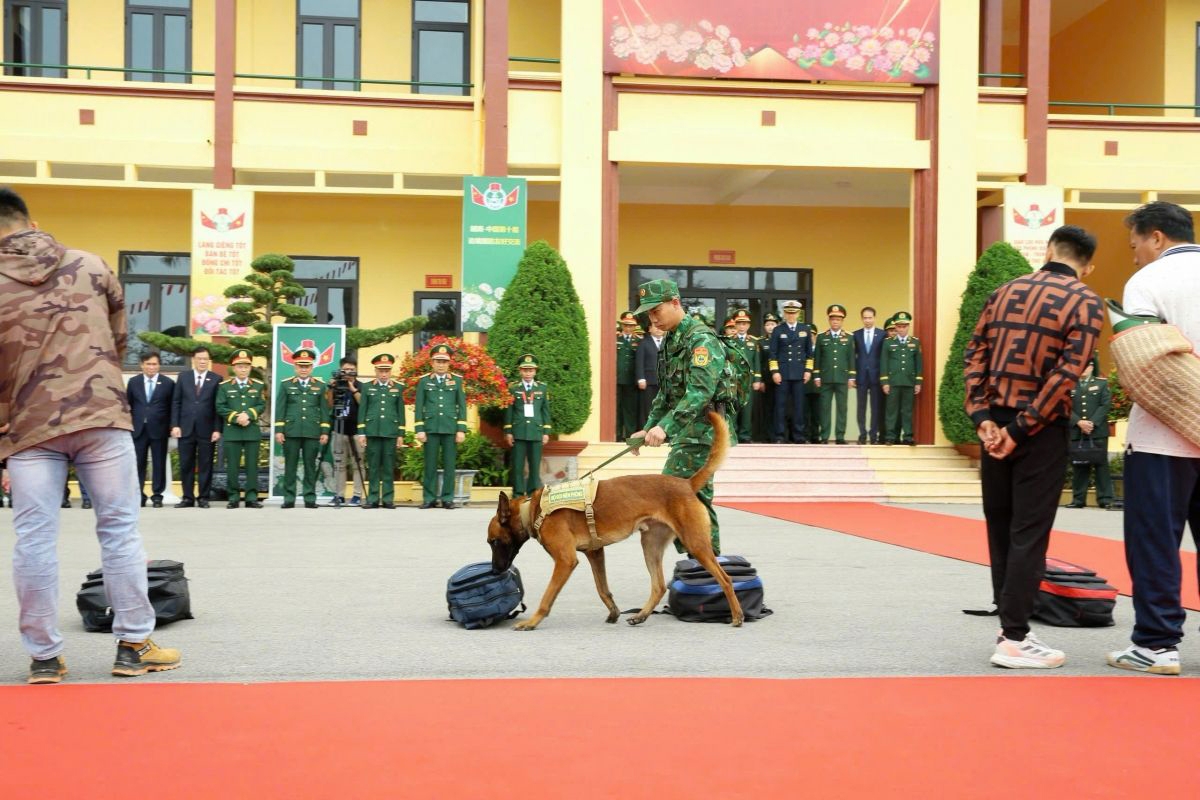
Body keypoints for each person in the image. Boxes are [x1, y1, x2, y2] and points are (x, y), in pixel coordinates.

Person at [0, 186, 180, 683]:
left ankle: (43, 658)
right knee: (119, 531)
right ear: (31, 224)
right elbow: (120, 337)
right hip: (101, 416)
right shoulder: (92, 265)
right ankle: (133, 646)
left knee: (33, 540)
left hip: (28, 429)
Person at [964, 224, 1103, 669]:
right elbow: (1067, 374)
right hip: (1038, 431)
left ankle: (1010, 627)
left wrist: (984, 420)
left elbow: (975, 356)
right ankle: (1015, 638)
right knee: (1029, 533)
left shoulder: (1003, 291)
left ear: (1048, 251)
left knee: (1000, 527)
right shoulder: (1084, 300)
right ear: (1088, 264)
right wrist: (1021, 429)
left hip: (994, 428)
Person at [1107, 201, 1200, 676]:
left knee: (1155, 544)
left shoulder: (1149, 281)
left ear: (1157, 237)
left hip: (1163, 438)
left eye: (1135, 245)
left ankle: (1157, 645)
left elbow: (1145, 362)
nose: (1135, 256)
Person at [633, 278, 731, 554]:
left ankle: (705, 567)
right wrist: (650, 427)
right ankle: (704, 566)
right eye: (649, 313)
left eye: (656, 310)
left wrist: (666, 427)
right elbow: (666, 393)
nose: (653, 318)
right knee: (693, 498)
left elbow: (700, 391)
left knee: (675, 497)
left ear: (675, 302)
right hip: (687, 432)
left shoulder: (701, 340)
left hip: (703, 432)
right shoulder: (671, 340)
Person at [274, 348, 330, 509]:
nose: (304, 369)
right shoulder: (286, 385)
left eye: (307, 366)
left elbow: (324, 411)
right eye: (300, 366)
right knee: (290, 466)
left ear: (312, 367)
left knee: (310, 467)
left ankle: (309, 498)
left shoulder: (319, 386)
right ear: (295, 367)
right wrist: (279, 430)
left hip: (312, 432)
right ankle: (289, 498)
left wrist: (324, 431)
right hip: (291, 431)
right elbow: (280, 409)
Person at [414, 343, 467, 509]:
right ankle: (429, 498)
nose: (441, 364)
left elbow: (462, 406)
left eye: (444, 361)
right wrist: (419, 429)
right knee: (430, 464)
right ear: (432, 362)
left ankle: (447, 498)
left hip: (450, 428)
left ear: (449, 363)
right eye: (438, 361)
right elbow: (419, 406)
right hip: (430, 429)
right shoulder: (424, 381)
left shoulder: (457, 381)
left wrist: (461, 429)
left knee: (449, 465)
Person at [171, 345, 222, 508]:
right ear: (193, 360)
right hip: (185, 428)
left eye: (205, 359)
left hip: (207, 429)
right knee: (186, 463)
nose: (202, 362)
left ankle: (203, 497)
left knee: (206, 464)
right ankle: (187, 497)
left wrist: (217, 429)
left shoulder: (216, 379)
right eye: (199, 359)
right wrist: (175, 425)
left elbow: (217, 407)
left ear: (209, 361)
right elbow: (176, 402)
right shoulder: (183, 377)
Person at [216, 348, 266, 509]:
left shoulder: (258, 385)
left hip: (251, 431)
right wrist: (237, 417)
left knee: (252, 466)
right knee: (232, 466)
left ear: (250, 368)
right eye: (239, 366)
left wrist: (249, 415)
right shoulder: (224, 387)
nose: (243, 369)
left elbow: (261, 404)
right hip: (233, 431)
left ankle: (251, 497)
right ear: (234, 368)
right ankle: (233, 497)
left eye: (246, 366)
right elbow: (220, 406)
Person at [355, 353, 406, 509]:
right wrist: (362, 433)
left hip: (390, 432)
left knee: (389, 466)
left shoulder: (398, 388)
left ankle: (388, 498)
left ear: (390, 371)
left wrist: (401, 434)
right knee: (374, 466)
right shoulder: (367, 387)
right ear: (375, 371)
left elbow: (400, 412)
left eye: (386, 371)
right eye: (380, 371)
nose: (383, 374)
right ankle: (373, 498)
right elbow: (362, 411)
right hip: (372, 432)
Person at [126, 351, 175, 508]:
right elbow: (128, 406)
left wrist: (173, 426)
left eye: (154, 364)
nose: (151, 367)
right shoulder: (134, 382)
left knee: (158, 463)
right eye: (148, 364)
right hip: (138, 429)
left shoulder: (168, 383)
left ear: (159, 365)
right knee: (138, 463)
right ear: (142, 365)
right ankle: (138, 494)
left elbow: (173, 407)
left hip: (159, 429)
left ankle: (157, 495)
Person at [1065, 357, 1114, 510]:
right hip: (1077, 431)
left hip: (1097, 431)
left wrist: (1092, 422)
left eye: (1087, 366)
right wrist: (1078, 422)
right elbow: (1065, 405)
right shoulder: (1070, 385)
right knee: (1079, 465)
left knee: (1101, 464)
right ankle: (1078, 499)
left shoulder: (1101, 383)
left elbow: (1105, 404)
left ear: (1092, 367)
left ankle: (1105, 498)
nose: (1084, 369)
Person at [504, 353, 551, 498]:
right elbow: (509, 411)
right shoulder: (513, 388)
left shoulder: (542, 388)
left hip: (536, 431)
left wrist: (546, 432)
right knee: (517, 465)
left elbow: (545, 411)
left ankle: (532, 492)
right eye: (525, 370)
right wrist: (508, 431)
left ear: (535, 371)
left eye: (531, 370)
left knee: (534, 465)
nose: (528, 373)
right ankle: (518, 493)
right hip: (519, 431)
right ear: (520, 371)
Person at [768, 299, 812, 443]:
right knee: (780, 406)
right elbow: (773, 353)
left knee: (799, 406)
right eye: (788, 313)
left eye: (794, 313)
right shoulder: (778, 330)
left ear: (798, 313)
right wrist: (775, 372)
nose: (791, 316)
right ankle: (780, 435)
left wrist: (808, 370)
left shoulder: (805, 329)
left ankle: (799, 436)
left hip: (799, 373)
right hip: (783, 373)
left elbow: (809, 353)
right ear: (784, 314)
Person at [813, 304, 856, 444]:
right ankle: (824, 436)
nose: (835, 322)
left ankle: (840, 436)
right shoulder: (821, 337)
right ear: (829, 320)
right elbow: (817, 358)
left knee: (842, 408)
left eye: (838, 319)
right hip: (825, 378)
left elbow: (851, 359)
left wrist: (851, 377)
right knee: (824, 408)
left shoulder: (849, 337)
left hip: (842, 378)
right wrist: (817, 376)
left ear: (842, 321)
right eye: (833, 319)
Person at [880, 311, 923, 445]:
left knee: (907, 411)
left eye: (904, 326)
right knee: (891, 411)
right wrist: (885, 382)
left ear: (908, 327)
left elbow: (919, 364)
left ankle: (908, 436)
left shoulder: (915, 342)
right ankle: (890, 437)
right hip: (893, 382)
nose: (901, 329)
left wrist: (918, 382)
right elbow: (884, 363)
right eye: (899, 326)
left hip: (909, 382)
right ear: (896, 327)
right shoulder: (888, 343)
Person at [328, 357, 365, 506]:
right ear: (341, 370)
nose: (348, 372)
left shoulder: (361, 386)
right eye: (345, 370)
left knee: (358, 465)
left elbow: (363, 404)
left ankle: (357, 495)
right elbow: (330, 405)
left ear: (356, 370)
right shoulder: (337, 385)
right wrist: (331, 389)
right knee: (339, 464)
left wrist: (352, 388)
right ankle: (339, 495)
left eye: (351, 369)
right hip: (339, 430)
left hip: (356, 430)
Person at [727, 309, 762, 444]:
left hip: (748, 380)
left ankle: (745, 435)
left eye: (744, 324)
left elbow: (757, 362)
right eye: (739, 323)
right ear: (735, 325)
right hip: (733, 379)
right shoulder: (729, 341)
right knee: (733, 407)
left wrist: (757, 379)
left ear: (748, 325)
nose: (742, 326)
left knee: (747, 409)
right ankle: (732, 434)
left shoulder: (754, 341)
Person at [853, 306, 885, 444]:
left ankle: (873, 435)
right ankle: (862, 434)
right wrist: (852, 375)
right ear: (861, 318)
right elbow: (852, 357)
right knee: (861, 407)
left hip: (876, 376)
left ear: (875, 318)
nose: (867, 320)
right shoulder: (855, 334)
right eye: (865, 318)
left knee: (875, 408)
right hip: (861, 376)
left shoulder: (882, 334)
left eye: (870, 317)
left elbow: (884, 357)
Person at [753, 313, 780, 442]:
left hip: (780, 380)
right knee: (767, 409)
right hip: (767, 381)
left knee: (780, 408)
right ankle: (767, 435)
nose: (770, 327)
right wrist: (761, 380)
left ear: (777, 325)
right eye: (768, 324)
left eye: (773, 324)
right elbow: (760, 361)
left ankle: (780, 435)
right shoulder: (760, 341)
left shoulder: (782, 339)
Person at [616, 312, 641, 441]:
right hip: (617, 380)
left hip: (631, 381)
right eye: (626, 325)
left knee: (630, 409)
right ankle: (617, 434)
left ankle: (630, 435)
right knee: (617, 408)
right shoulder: (616, 339)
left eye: (631, 326)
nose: (628, 328)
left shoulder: (638, 340)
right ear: (622, 325)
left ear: (634, 327)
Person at [635, 320, 664, 430]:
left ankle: (661, 433)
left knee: (662, 408)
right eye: (655, 326)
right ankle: (645, 431)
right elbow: (639, 362)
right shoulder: (644, 343)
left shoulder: (667, 343)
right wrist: (640, 378)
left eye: (660, 326)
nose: (658, 328)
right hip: (648, 382)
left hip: (664, 383)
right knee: (647, 408)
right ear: (650, 329)